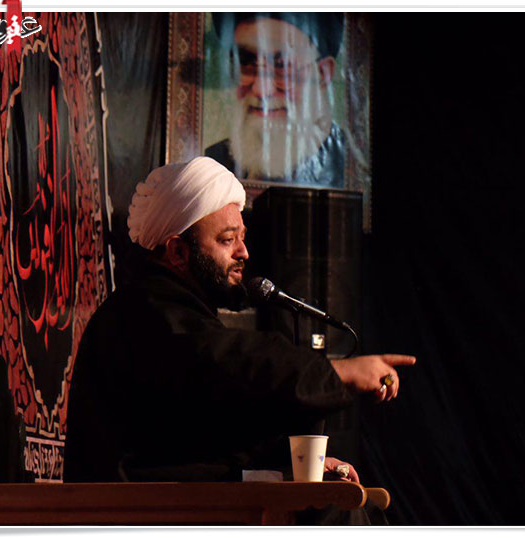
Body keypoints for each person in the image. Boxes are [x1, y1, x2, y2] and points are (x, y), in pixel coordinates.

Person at [63, 157, 415, 523]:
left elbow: (200, 430)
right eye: (227, 240)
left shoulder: (171, 309)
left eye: (241, 238)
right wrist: (338, 373)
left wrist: (291, 459)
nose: (243, 252)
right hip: (135, 516)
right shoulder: (146, 314)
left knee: (342, 504)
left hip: (171, 502)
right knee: (331, 515)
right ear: (178, 252)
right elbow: (232, 363)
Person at [205, 13, 346, 188]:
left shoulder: (350, 167)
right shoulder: (214, 165)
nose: (261, 90)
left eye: (282, 65)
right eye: (245, 62)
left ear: (323, 74)